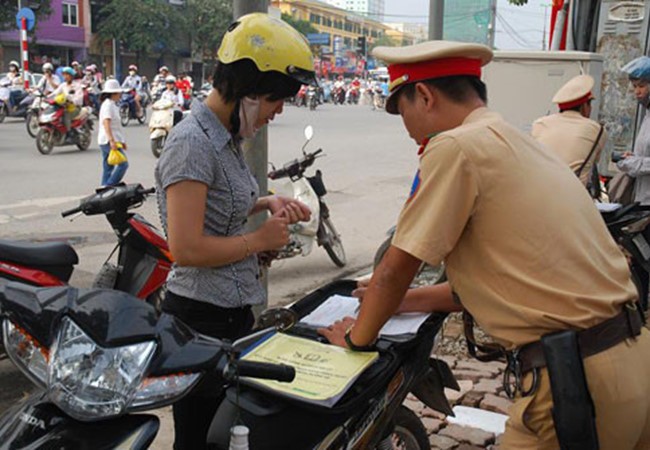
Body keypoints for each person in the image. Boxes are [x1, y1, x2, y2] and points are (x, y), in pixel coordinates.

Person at [319, 41, 650, 450]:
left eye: (401, 110)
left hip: (576, 381)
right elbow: (502, 282)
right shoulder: (515, 139)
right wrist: (404, 302)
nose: (405, 128)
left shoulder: (455, 146)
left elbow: (396, 266)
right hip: (630, 360)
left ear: (424, 96)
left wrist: (356, 339)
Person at [154, 13, 316, 450]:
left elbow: (216, 211)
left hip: (231, 317)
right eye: (276, 100)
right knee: (200, 439)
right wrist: (258, 241)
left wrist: (265, 203)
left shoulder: (225, 139)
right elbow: (185, 248)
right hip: (199, 322)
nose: (279, 111)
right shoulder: (193, 143)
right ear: (249, 88)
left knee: (230, 438)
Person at [531, 75, 606, 190]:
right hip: (573, 196)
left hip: (539, 192)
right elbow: (594, 161)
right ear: (584, 106)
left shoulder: (539, 124)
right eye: (589, 104)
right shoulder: (596, 129)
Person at [617, 56, 650, 206]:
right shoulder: (647, 114)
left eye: (641, 86)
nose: (637, 92)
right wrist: (632, 158)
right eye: (634, 86)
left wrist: (632, 163)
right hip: (643, 199)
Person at [98, 79, 128, 186]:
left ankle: (103, 188)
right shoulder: (108, 105)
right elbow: (106, 123)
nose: (120, 95)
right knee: (123, 164)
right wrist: (111, 140)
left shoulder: (113, 104)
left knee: (108, 167)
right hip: (108, 140)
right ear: (113, 93)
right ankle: (109, 185)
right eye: (118, 93)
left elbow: (117, 127)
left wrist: (122, 141)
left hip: (109, 140)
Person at [49, 66, 83, 132]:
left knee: (66, 114)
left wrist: (72, 100)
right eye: (64, 75)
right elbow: (55, 93)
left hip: (75, 107)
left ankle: (68, 132)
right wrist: (46, 97)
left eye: (67, 74)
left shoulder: (77, 85)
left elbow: (79, 98)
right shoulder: (63, 85)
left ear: (71, 76)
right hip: (64, 106)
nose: (65, 76)